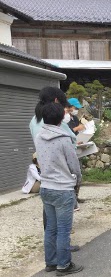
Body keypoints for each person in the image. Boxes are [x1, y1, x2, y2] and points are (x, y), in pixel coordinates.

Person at [34, 102, 83, 276]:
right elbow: (74, 165)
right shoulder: (63, 138)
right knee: (63, 229)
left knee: (51, 228)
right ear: (62, 117)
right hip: (63, 189)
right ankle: (63, 265)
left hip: (45, 187)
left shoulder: (39, 136)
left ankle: (51, 262)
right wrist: (78, 180)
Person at [30, 87, 80, 252]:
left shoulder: (37, 121)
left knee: (52, 221)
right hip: (59, 177)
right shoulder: (46, 123)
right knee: (59, 224)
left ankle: (52, 256)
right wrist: (76, 179)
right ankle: (62, 257)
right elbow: (61, 146)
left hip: (48, 178)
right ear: (56, 101)